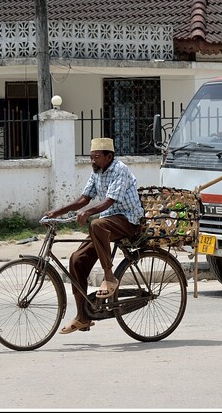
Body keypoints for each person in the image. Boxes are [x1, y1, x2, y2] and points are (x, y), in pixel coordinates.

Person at [44, 137, 144, 334]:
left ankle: (109, 277)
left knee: (97, 224)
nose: (93, 161)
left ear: (109, 156)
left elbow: (109, 201)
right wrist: (57, 212)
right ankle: (83, 316)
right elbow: (84, 199)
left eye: (96, 157)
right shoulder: (97, 172)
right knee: (76, 260)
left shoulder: (120, 170)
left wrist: (89, 213)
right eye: (91, 157)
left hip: (128, 220)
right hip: (108, 222)